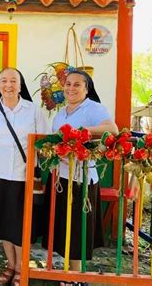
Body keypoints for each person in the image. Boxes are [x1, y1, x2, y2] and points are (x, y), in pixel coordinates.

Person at [0, 68, 50, 286]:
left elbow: (45, 145)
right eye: (3, 81)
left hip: (22, 179)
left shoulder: (33, 111)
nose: (8, 85)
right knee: (4, 225)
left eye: (13, 80)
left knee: (21, 226)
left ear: (20, 85)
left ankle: (22, 268)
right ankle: (11, 265)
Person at [41, 69, 119, 284]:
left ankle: (74, 276)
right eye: (68, 84)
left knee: (76, 228)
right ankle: (67, 269)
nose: (71, 88)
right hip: (60, 177)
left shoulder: (93, 108)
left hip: (81, 179)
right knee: (62, 225)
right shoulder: (61, 112)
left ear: (86, 88)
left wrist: (81, 131)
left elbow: (112, 129)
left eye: (77, 85)